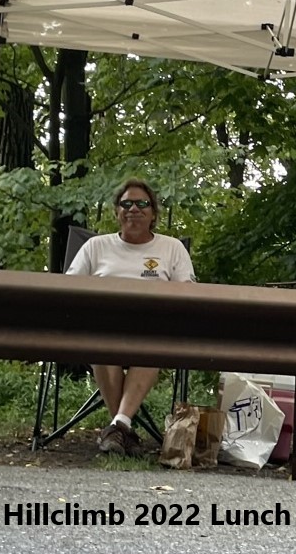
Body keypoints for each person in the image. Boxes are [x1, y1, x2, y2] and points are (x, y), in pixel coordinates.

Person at [66, 178, 195, 457]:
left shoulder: (172, 248)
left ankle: (117, 428)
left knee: (153, 341)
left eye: (142, 204)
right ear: (117, 212)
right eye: (126, 204)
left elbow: (187, 294)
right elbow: (69, 290)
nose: (133, 209)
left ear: (153, 213)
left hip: (152, 330)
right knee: (100, 339)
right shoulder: (95, 247)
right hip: (103, 328)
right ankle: (123, 426)